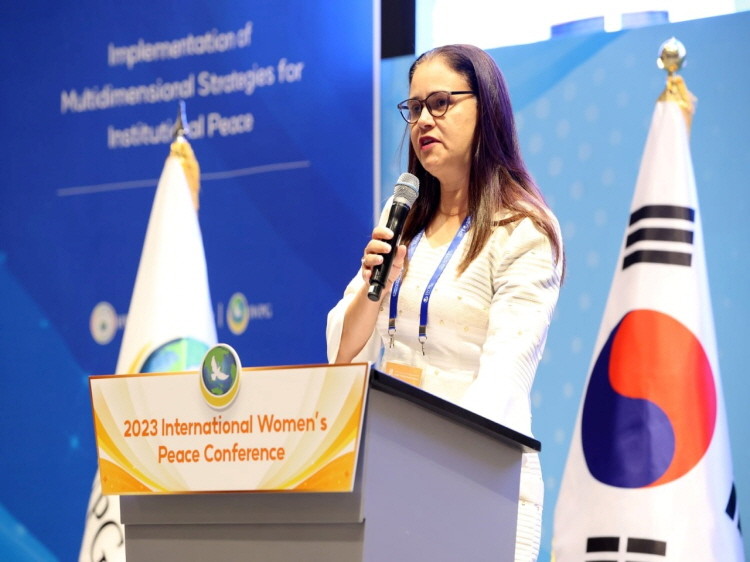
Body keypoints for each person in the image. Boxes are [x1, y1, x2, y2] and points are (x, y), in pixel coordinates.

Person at [326, 44, 564, 561]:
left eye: (440, 103)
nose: (423, 121)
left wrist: (433, 468)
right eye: (414, 108)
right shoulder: (403, 218)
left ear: (487, 107)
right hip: (388, 470)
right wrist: (376, 284)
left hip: (480, 479)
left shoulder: (523, 231)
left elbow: (505, 376)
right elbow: (342, 355)